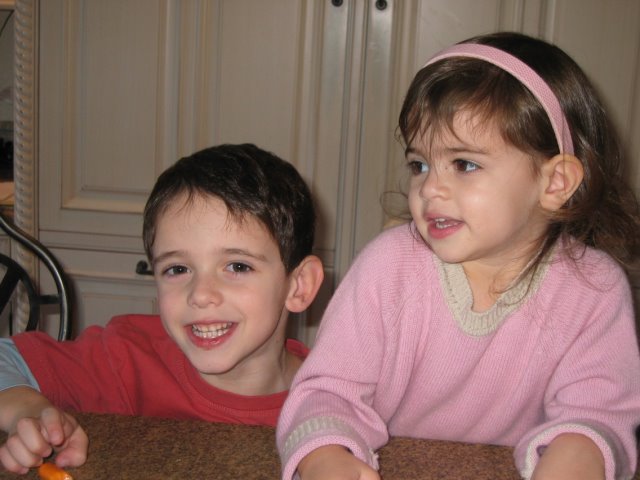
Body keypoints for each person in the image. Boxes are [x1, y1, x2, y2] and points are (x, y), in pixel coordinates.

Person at [276, 32, 640, 480]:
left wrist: (581, 449)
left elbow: (600, 414)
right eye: (419, 165)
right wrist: (324, 455)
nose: (430, 188)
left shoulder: (594, 290)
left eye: (464, 164)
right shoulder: (387, 268)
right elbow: (326, 392)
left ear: (555, 183)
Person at [0, 143, 324, 474]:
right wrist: (26, 408)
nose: (200, 295)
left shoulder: (334, 399)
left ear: (298, 286)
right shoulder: (128, 358)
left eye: (238, 266)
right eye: (177, 269)